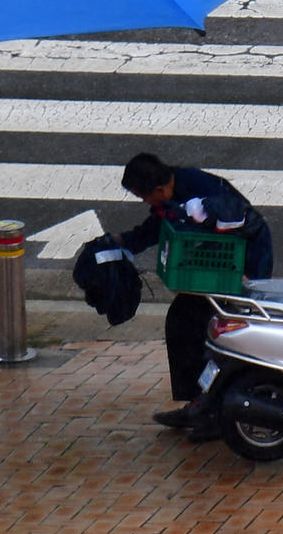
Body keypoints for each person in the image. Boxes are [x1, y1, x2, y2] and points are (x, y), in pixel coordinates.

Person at [114, 152, 274, 443]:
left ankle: (217, 412)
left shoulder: (203, 191)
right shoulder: (175, 190)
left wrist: (248, 277)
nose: (145, 202)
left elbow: (239, 225)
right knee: (183, 324)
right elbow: (157, 227)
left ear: (159, 190)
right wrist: (122, 242)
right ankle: (199, 405)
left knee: (218, 338)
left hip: (241, 268)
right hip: (211, 269)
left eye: (143, 196)